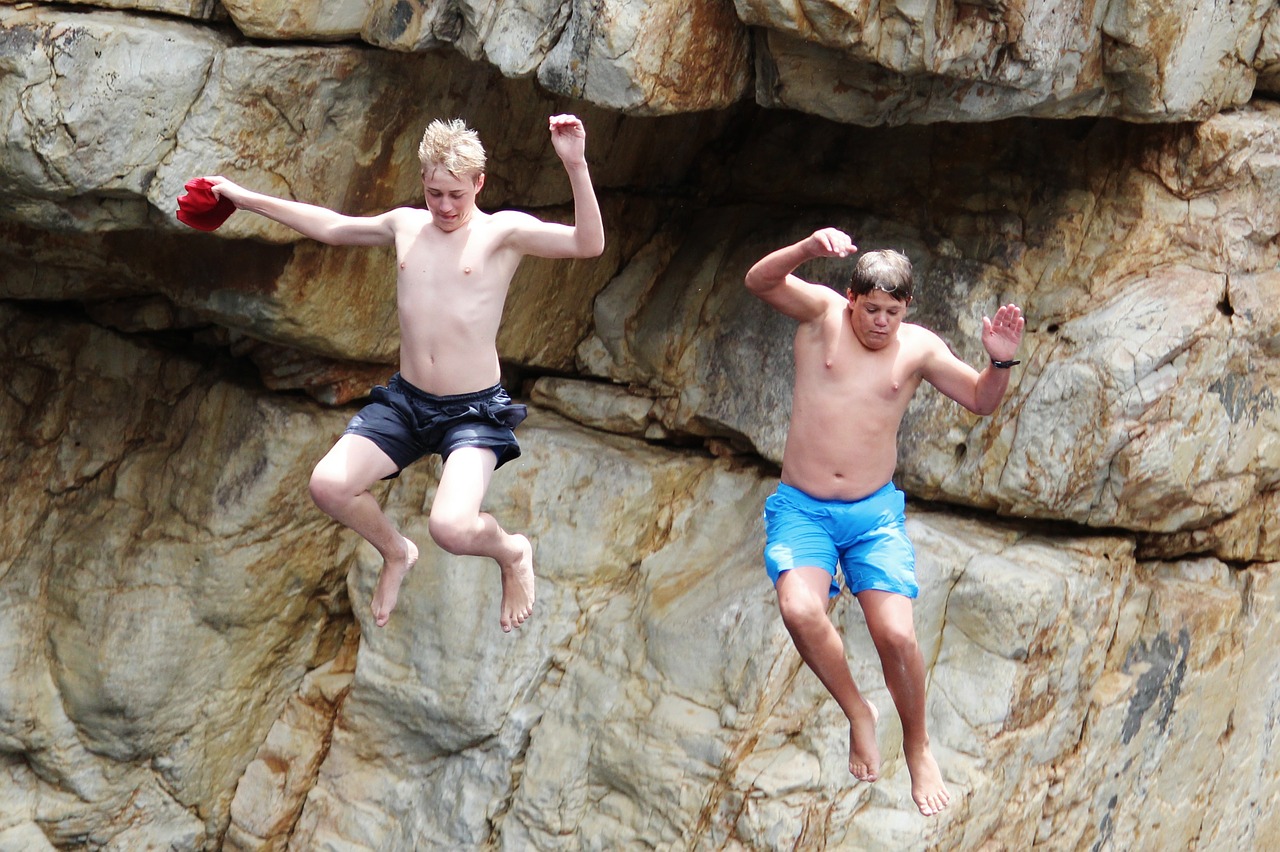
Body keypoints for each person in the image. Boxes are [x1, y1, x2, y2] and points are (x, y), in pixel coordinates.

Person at [204, 115, 605, 632]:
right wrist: (242, 198)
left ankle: (511, 552)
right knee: (328, 485)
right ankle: (396, 552)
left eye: (456, 195)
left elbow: (587, 243)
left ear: (479, 184)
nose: (444, 206)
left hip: (472, 411)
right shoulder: (404, 226)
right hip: (409, 402)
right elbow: (330, 226)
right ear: (423, 183)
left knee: (452, 529)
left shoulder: (501, 232)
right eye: (435, 192)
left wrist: (575, 164)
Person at [744, 227, 1024, 817]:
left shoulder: (917, 347)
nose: (879, 323)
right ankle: (859, 711)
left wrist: (999, 360)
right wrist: (805, 251)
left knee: (896, 635)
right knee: (799, 610)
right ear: (851, 299)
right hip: (804, 509)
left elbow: (981, 400)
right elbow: (759, 281)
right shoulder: (822, 314)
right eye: (870, 309)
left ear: (907, 309)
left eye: (890, 312)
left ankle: (918, 745)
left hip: (872, 515)